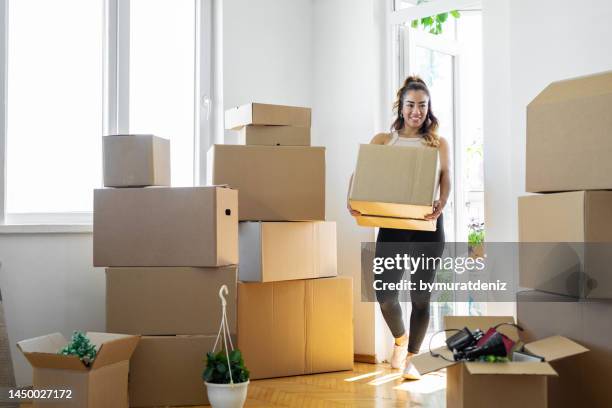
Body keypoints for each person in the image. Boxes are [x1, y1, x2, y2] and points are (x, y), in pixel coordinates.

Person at [347, 75, 451, 380]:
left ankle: (413, 358)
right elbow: (360, 174)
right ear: (401, 107)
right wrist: (352, 200)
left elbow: (447, 177)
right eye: (410, 105)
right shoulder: (384, 140)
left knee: (421, 297)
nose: (416, 111)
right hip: (392, 226)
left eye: (422, 105)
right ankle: (400, 339)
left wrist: (442, 202)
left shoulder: (437, 142)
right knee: (386, 295)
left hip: (427, 225)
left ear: (428, 108)